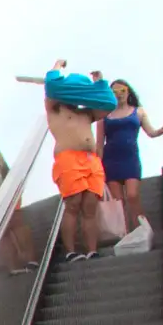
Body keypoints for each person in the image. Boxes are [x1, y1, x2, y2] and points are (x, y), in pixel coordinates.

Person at [44, 60, 116, 261]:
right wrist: (57, 65)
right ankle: (70, 251)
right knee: (73, 204)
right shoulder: (55, 109)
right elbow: (50, 86)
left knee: (90, 206)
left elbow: (107, 105)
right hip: (68, 159)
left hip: (91, 160)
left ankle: (92, 250)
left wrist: (99, 82)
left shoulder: (86, 112)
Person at [99, 78, 163, 234]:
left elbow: (150, 132)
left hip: (130, 159)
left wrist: (162, 130)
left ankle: (143, 230)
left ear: (128, 91)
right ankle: (126, 235)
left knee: (133, 195)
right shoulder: (104, 115)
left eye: (122, 91)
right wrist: (97, 167)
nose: (119, 94)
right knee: (118, 203)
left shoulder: (138, 111)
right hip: (110, 160)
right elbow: (99, 143)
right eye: (114, 92)